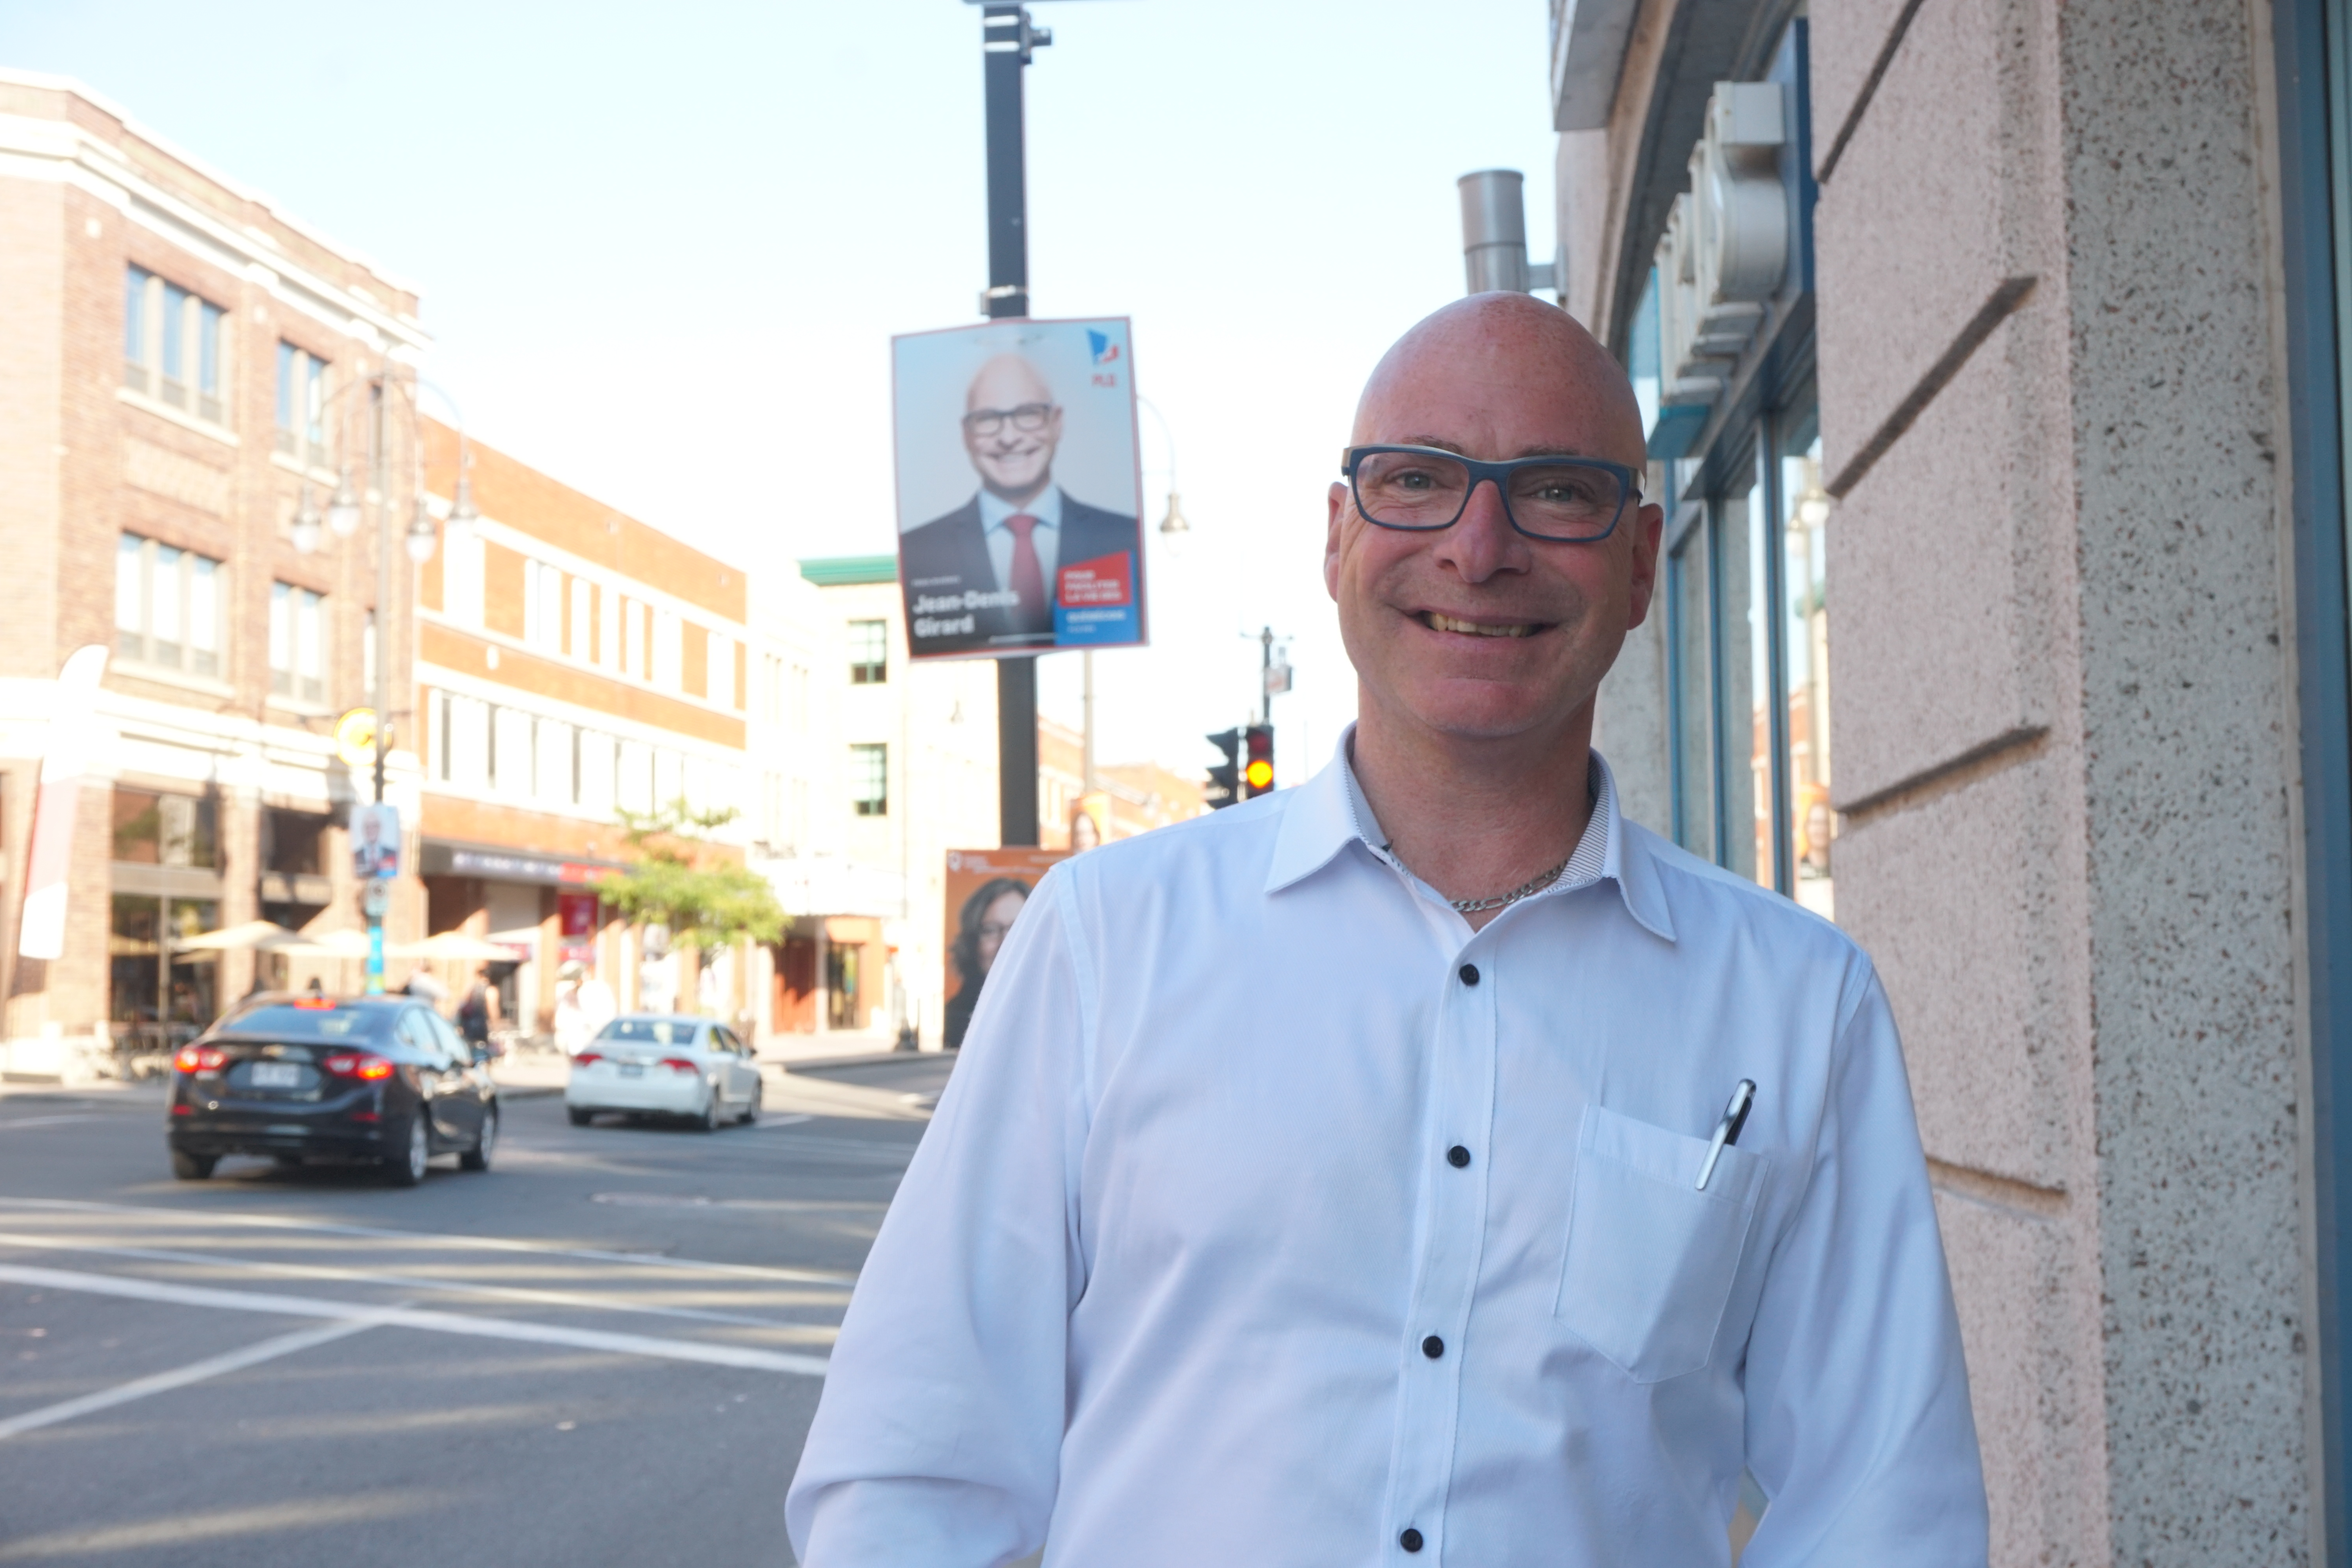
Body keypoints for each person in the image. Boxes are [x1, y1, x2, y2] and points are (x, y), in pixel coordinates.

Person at [787, 295, 1987, 1565]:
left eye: (1559, 492)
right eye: (1417, 481)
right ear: (1336, 534)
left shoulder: (1798, 1003)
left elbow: (1882, 1508)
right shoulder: (1104, 942)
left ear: (1642, 562)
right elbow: (917, 1457)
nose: (1480, 548)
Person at [897, 354, 1142, 657]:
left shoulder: (1121, 537)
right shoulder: (923, 549)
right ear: (966, 434)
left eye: (1028, 413)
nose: (1009, 437)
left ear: (1057, 423)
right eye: (988, 419)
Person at [939, 877, 1029, 1051]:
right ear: (971, 943)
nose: (1005, 943)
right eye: (991, 930)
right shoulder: (958, 1015)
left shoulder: (1062, 1010)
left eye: (1018, 928)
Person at [455, 965, 501, 1054]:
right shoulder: (491, 990)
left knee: (471, 1049)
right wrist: (496, 1027)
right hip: (483, 1026)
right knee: (487, 1051)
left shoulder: (471, 989)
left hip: (469, 1025)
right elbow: (493, 1010)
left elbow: (462, 1005)